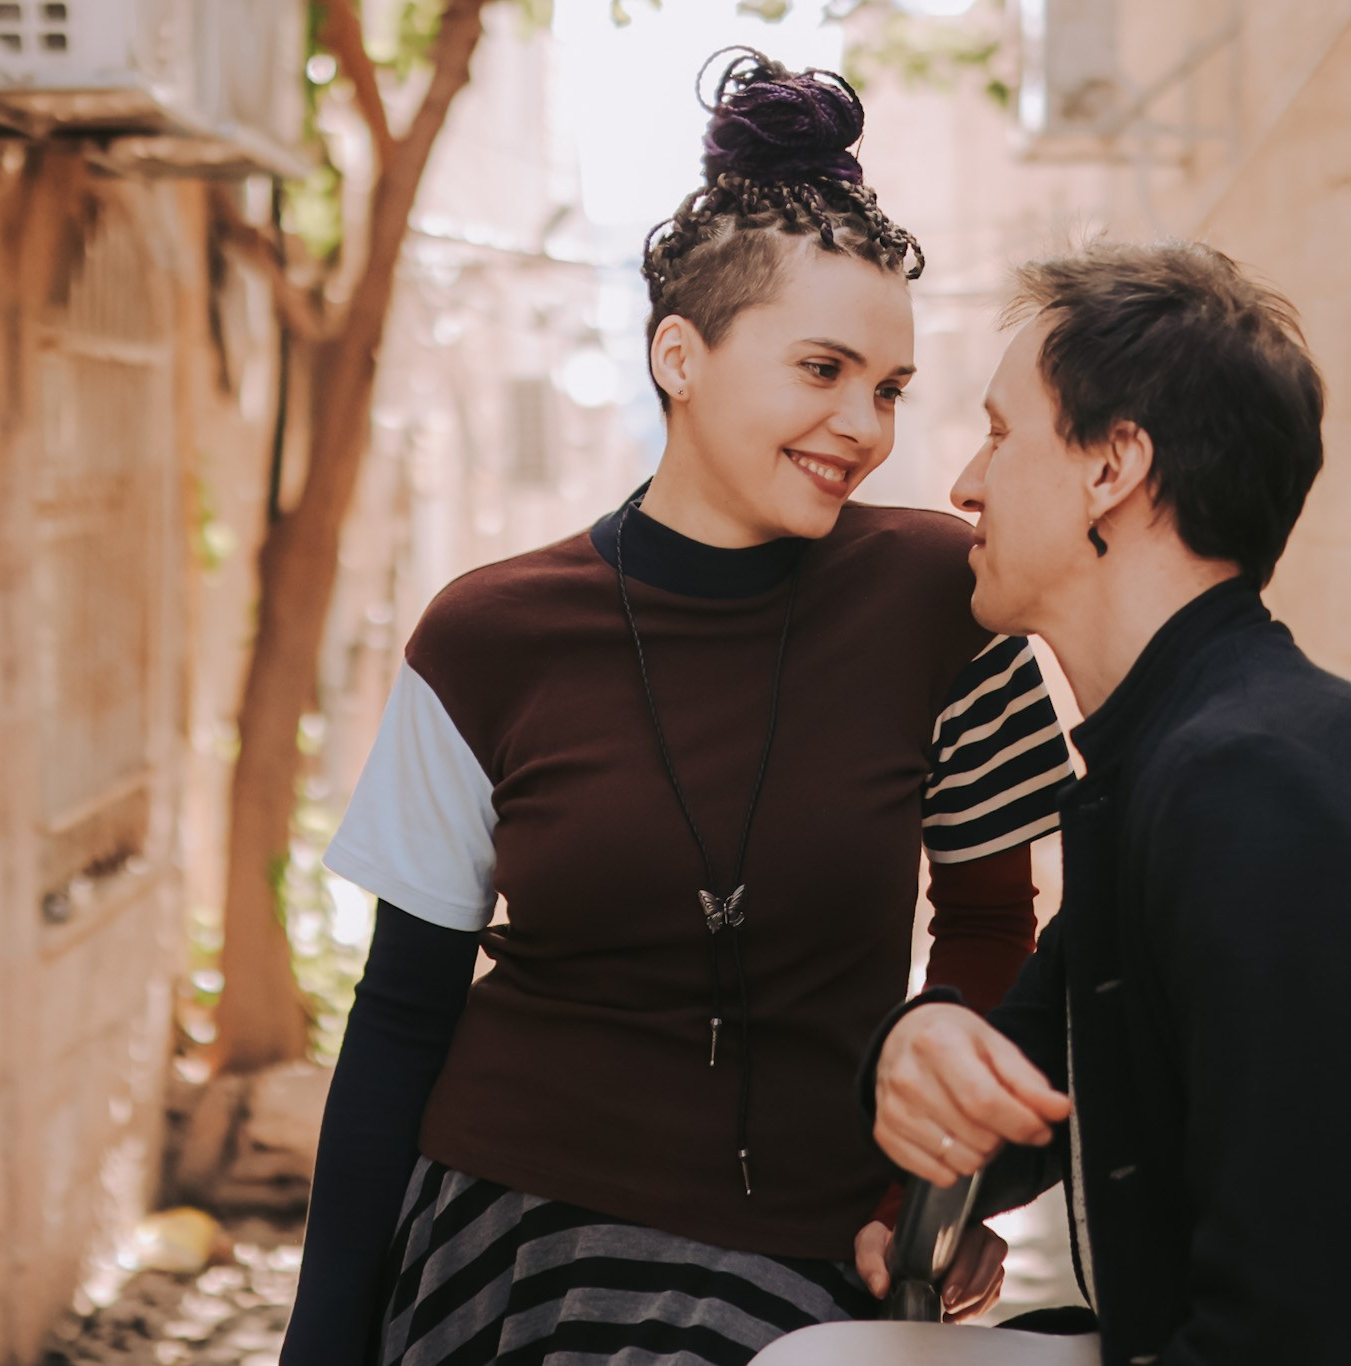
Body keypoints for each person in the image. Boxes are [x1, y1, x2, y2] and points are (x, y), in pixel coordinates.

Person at [278, 51, 1074, 1366]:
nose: (863, 424)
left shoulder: (948, 597)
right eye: (821, 368)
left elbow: (991, 918)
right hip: (510, 1231)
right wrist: (322, 1345)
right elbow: (402, 1009)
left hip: (816, 1237)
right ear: (679, 355)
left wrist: (930, 1191)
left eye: (888, 387)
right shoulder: (483, 636)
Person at [862, 239, 1351, 1364]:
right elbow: (1024, 1079)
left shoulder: (1255, 792)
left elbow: (1283, 1331)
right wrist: (918, 1048)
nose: (962, 482)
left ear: (1113, 467)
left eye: (1000, 432)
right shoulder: (1177, 754)